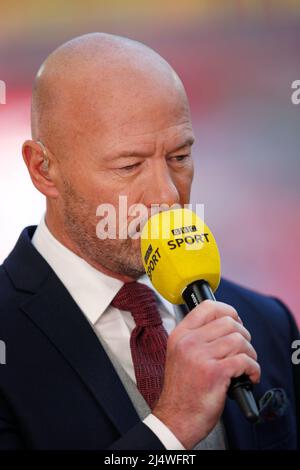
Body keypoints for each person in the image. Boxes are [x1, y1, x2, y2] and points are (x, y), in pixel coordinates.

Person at [0, 33, 299, 450]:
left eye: (179, 157)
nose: (168, 196)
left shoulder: (266, 325)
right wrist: (173, 427)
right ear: (43, 169)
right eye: (129, 165)